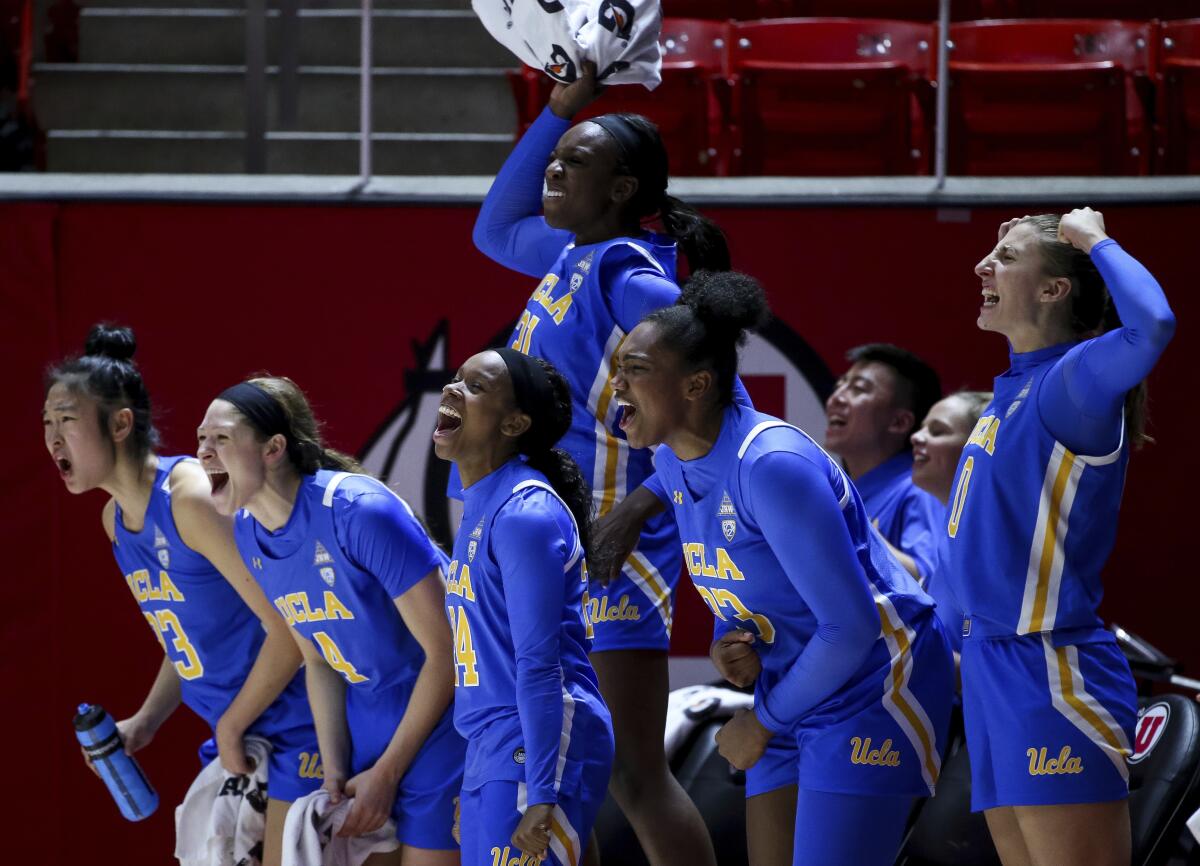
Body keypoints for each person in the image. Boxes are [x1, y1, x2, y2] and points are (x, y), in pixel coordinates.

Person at [470, 57, 729, 866]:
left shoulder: (634, 280)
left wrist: (640, 508)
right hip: (554, 540)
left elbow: (719, 418)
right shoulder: (568, 255)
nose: (553, 170)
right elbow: (490, 226)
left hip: (613, 544)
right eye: (556, 160)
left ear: (621, 190)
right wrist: (559, 112)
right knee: (576, 756)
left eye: (575, 162)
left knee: (632, 773)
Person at [608, 271, 954, 866]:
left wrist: (763, 721)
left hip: (875, 680)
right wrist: (728, 642)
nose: (615, 383)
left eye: (635, 369)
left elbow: (851, 627)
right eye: (618, 367)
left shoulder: (770, 465)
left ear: (696, 384)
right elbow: (742, 581)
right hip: (795, 684)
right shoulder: (672, 462)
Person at [942, 208, 1175, 866]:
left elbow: (1154, 324)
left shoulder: (1070, 381)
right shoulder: (1011, 389)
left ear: (1054, 289)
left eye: (1008, 256)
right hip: (991, 667)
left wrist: (1093, 239)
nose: (984, 265)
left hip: (1050, 665)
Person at [44, 326, 320, 866]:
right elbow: (187, 636)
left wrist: (234, 722)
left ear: (121, 423)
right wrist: (146, 720)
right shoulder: (115, 521)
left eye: (68, 421)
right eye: (47, 424)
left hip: (297, 723)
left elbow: (290, 628)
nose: (53, 439)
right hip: (241, 735)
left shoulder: (190, 497)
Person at [199, 376, 465, 866]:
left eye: (221, 438)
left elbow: (448, 653)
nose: (204, 453)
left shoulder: (359, 512)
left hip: (444, 725)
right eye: (201, 440)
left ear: (273, 448)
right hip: (367, 727)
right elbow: (317, 659)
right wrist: (334, 772)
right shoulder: (249, 533)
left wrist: (387, 773)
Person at [433, 348, 614, 866]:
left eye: (474, 386)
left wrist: (540, 791)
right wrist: (478, 773)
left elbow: (539, 665)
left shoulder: (524, 513)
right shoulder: (481, 502)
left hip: (536, 739)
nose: (451, 389)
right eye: (454, 379)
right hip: (496, 745)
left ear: (515, 422)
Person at [824, 343, 944, 582]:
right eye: (840, 385)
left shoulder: (919, 488)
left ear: (899, 422)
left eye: (858, 389)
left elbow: (929, 579)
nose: (836, 398)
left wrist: (845, 530)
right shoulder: (843, 492)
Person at [909, 390, 991, 654]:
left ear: (975, 449)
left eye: (937, 431)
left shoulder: (988, 540)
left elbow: (1002, 664)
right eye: (922, 428)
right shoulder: (954, 534)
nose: (916, 437)